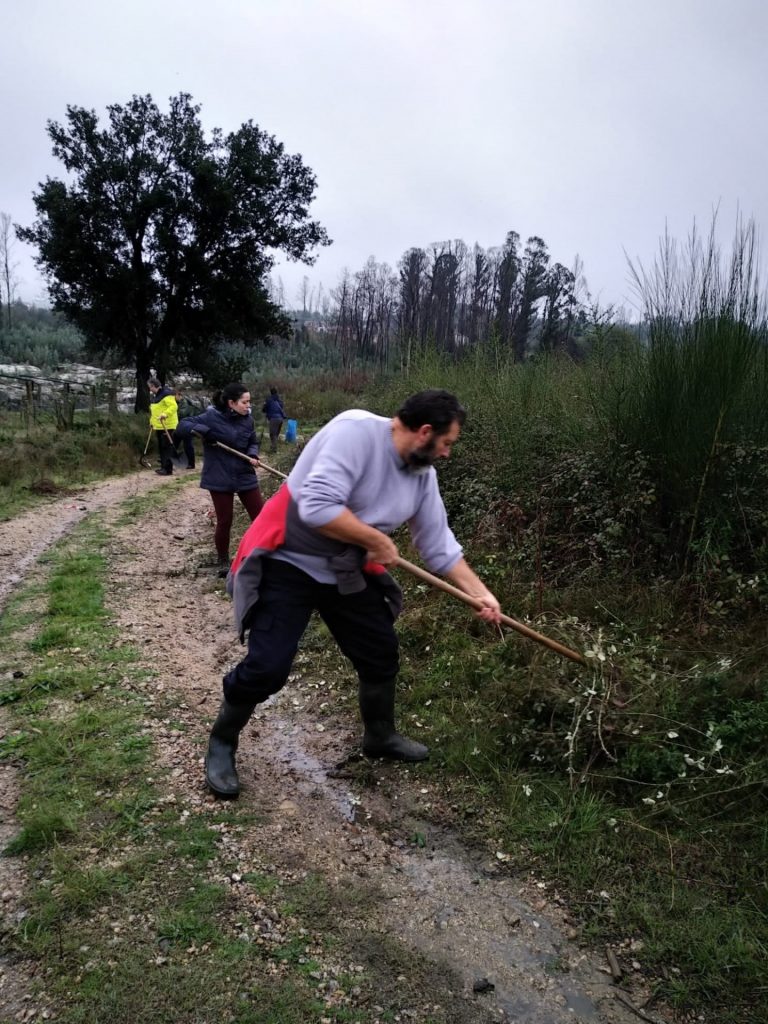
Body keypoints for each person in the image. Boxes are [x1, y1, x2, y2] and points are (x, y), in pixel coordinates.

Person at [204, 389, 502, 798]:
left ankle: (379, 736)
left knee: (379, 651)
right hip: (288, 558)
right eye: (447, 443)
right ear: (425, 432)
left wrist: (480, 594)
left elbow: (438, 545)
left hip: (344, 569)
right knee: (268, 667)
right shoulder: (354, 432)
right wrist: (373, 540)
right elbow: (318, 507)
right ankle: (222, 741)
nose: (447, 454)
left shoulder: (422, 477)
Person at [175, 382, 264, 576]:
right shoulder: (211, 416)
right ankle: (223, 561)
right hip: (219, 474)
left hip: (244, 473)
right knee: (225, 520)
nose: (248, 406)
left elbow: (252, 441)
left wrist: (253, 455)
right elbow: (183, 425)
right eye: (244, 402)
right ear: (231, 403)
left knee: (261, 517)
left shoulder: (248, 420)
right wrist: (205, 432)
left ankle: (261, 557)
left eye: (249, 402)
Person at [148, 378, 178, 476]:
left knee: (166, 447)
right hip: (159, 426)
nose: (149, 389)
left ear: (153, 386)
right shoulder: (156, 396)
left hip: (168, 425)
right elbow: (155, 411)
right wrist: (152, 422)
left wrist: (165, 414)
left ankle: (168, 469)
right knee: (161, 447)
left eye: (150, 387)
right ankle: (163, 467)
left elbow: (174, 407)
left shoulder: (167, 394)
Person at [174, 388, 197, 469]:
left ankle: (191, 463)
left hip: (187, 425)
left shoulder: (184, 403)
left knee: (188, 445)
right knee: (174, 443)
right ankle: (169, 459)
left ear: (179, 395)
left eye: (174, 395)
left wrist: (174, 411)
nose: (174, 397)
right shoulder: (178, 403)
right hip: (181, 425)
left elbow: (182, 413)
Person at [262, 386, 285, 453]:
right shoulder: (279, 400)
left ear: (270, 392)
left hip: (274, 419)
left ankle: (273, 450)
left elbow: (264, 409)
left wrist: (266, 408)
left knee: (273, 434)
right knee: (276, 434)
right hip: (281, 419)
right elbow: (281, 407)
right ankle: (273, 447)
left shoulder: (268, 400)